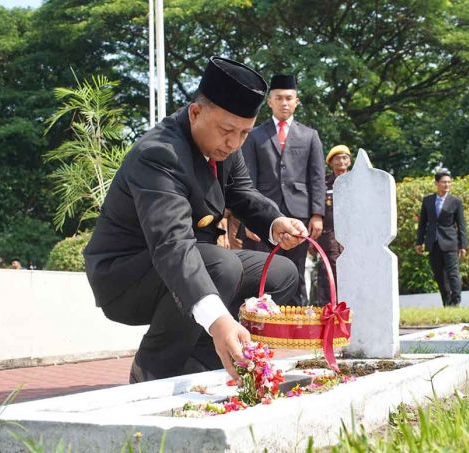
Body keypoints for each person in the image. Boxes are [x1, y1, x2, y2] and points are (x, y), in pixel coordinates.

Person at [83, 56, 307, 384]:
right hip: (125, 277)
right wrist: (219, 320)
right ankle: (152, 369)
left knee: (283, 274)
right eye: (227, 130)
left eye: (244, 133)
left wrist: (276, 222)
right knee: (221, 266)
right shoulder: (159, 154)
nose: (234, 143)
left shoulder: (226, 147)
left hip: (188, 265)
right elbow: (172, 244)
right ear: (195, 112)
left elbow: (243, 194)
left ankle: (201, 362)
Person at [239, 74, 326, 306]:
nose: (284, 103)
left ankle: (297, 329)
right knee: (262, 270)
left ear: (297, 101)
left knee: (297, 271)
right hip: (263, 215)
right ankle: (262, 325)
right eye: (279, 98)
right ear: (269, 101)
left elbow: (317, 177)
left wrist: (317, 214)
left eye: (289, 98)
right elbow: (247, 178)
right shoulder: (254, 135)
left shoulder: (310, 136)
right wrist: (249, 218)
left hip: (300, 214)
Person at [414, 171, 467, 307]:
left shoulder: (456, 202)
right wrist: (419, 242)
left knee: (453, 274)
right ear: (437, 183)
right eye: (444, 182)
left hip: (450, 243)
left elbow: (461, 225)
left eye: (449, 182)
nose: (447, 185)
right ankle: (446, 303)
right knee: (439, 275)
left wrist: (463, 245)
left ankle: (456, 303)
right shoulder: (428, 200)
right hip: (432, 242)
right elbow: (423, 223)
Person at [316, 145, 352, 305]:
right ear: (330, 162)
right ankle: (328, 310)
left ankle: (350, 306)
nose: (341, 161)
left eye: (345, 157)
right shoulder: (323, 184)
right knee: (328, 271)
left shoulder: (356, 182)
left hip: (353, 235)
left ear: (349, 161)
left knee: (352, 270)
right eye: (337, 158)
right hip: (328, 235)